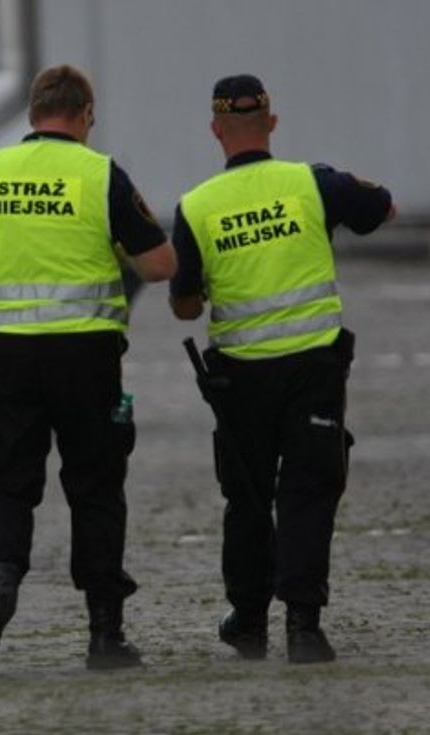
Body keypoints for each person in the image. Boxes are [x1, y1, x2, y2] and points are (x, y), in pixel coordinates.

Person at [0, 64, 176, 676]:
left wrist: (0, 247)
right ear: (85, 114)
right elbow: (160, 265)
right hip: (85, 356)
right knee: (96, 486)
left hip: (2, 355)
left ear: (33, 113)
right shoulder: (100, 174)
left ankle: (1, 575)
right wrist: (113, 247)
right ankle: (104, 634)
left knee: (2, 482)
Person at [170, 74, 395, 664]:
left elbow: (184, 305)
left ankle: (248, 621)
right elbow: (384, 207)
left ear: (215, 130)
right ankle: (303, 626)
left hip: (239, 377)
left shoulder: (196, 206)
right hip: (313, 368)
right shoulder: (313, 183)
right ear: (271, 122)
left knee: (247, 497)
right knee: (308, 492)